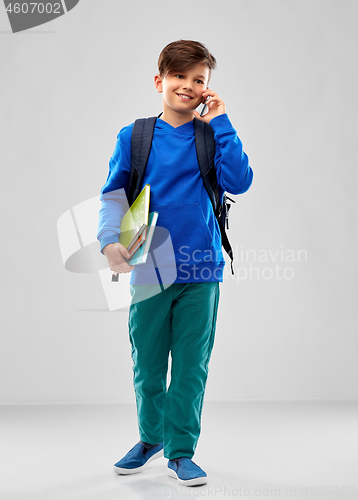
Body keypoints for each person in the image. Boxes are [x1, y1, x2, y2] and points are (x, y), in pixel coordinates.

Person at [96, 39, 253, 487]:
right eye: (179, 76)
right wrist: (110, 241)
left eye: (198, 79)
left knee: (189, 368)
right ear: (159, 80)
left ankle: (180, 451)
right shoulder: (136, 136)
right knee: (147, 363)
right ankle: (150, 438)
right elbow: (114, 194)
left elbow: (240, 181)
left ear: (207, 88)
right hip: (150, 269)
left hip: (201, 272)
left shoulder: (211, 136)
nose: (188, 85)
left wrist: (221, 122)